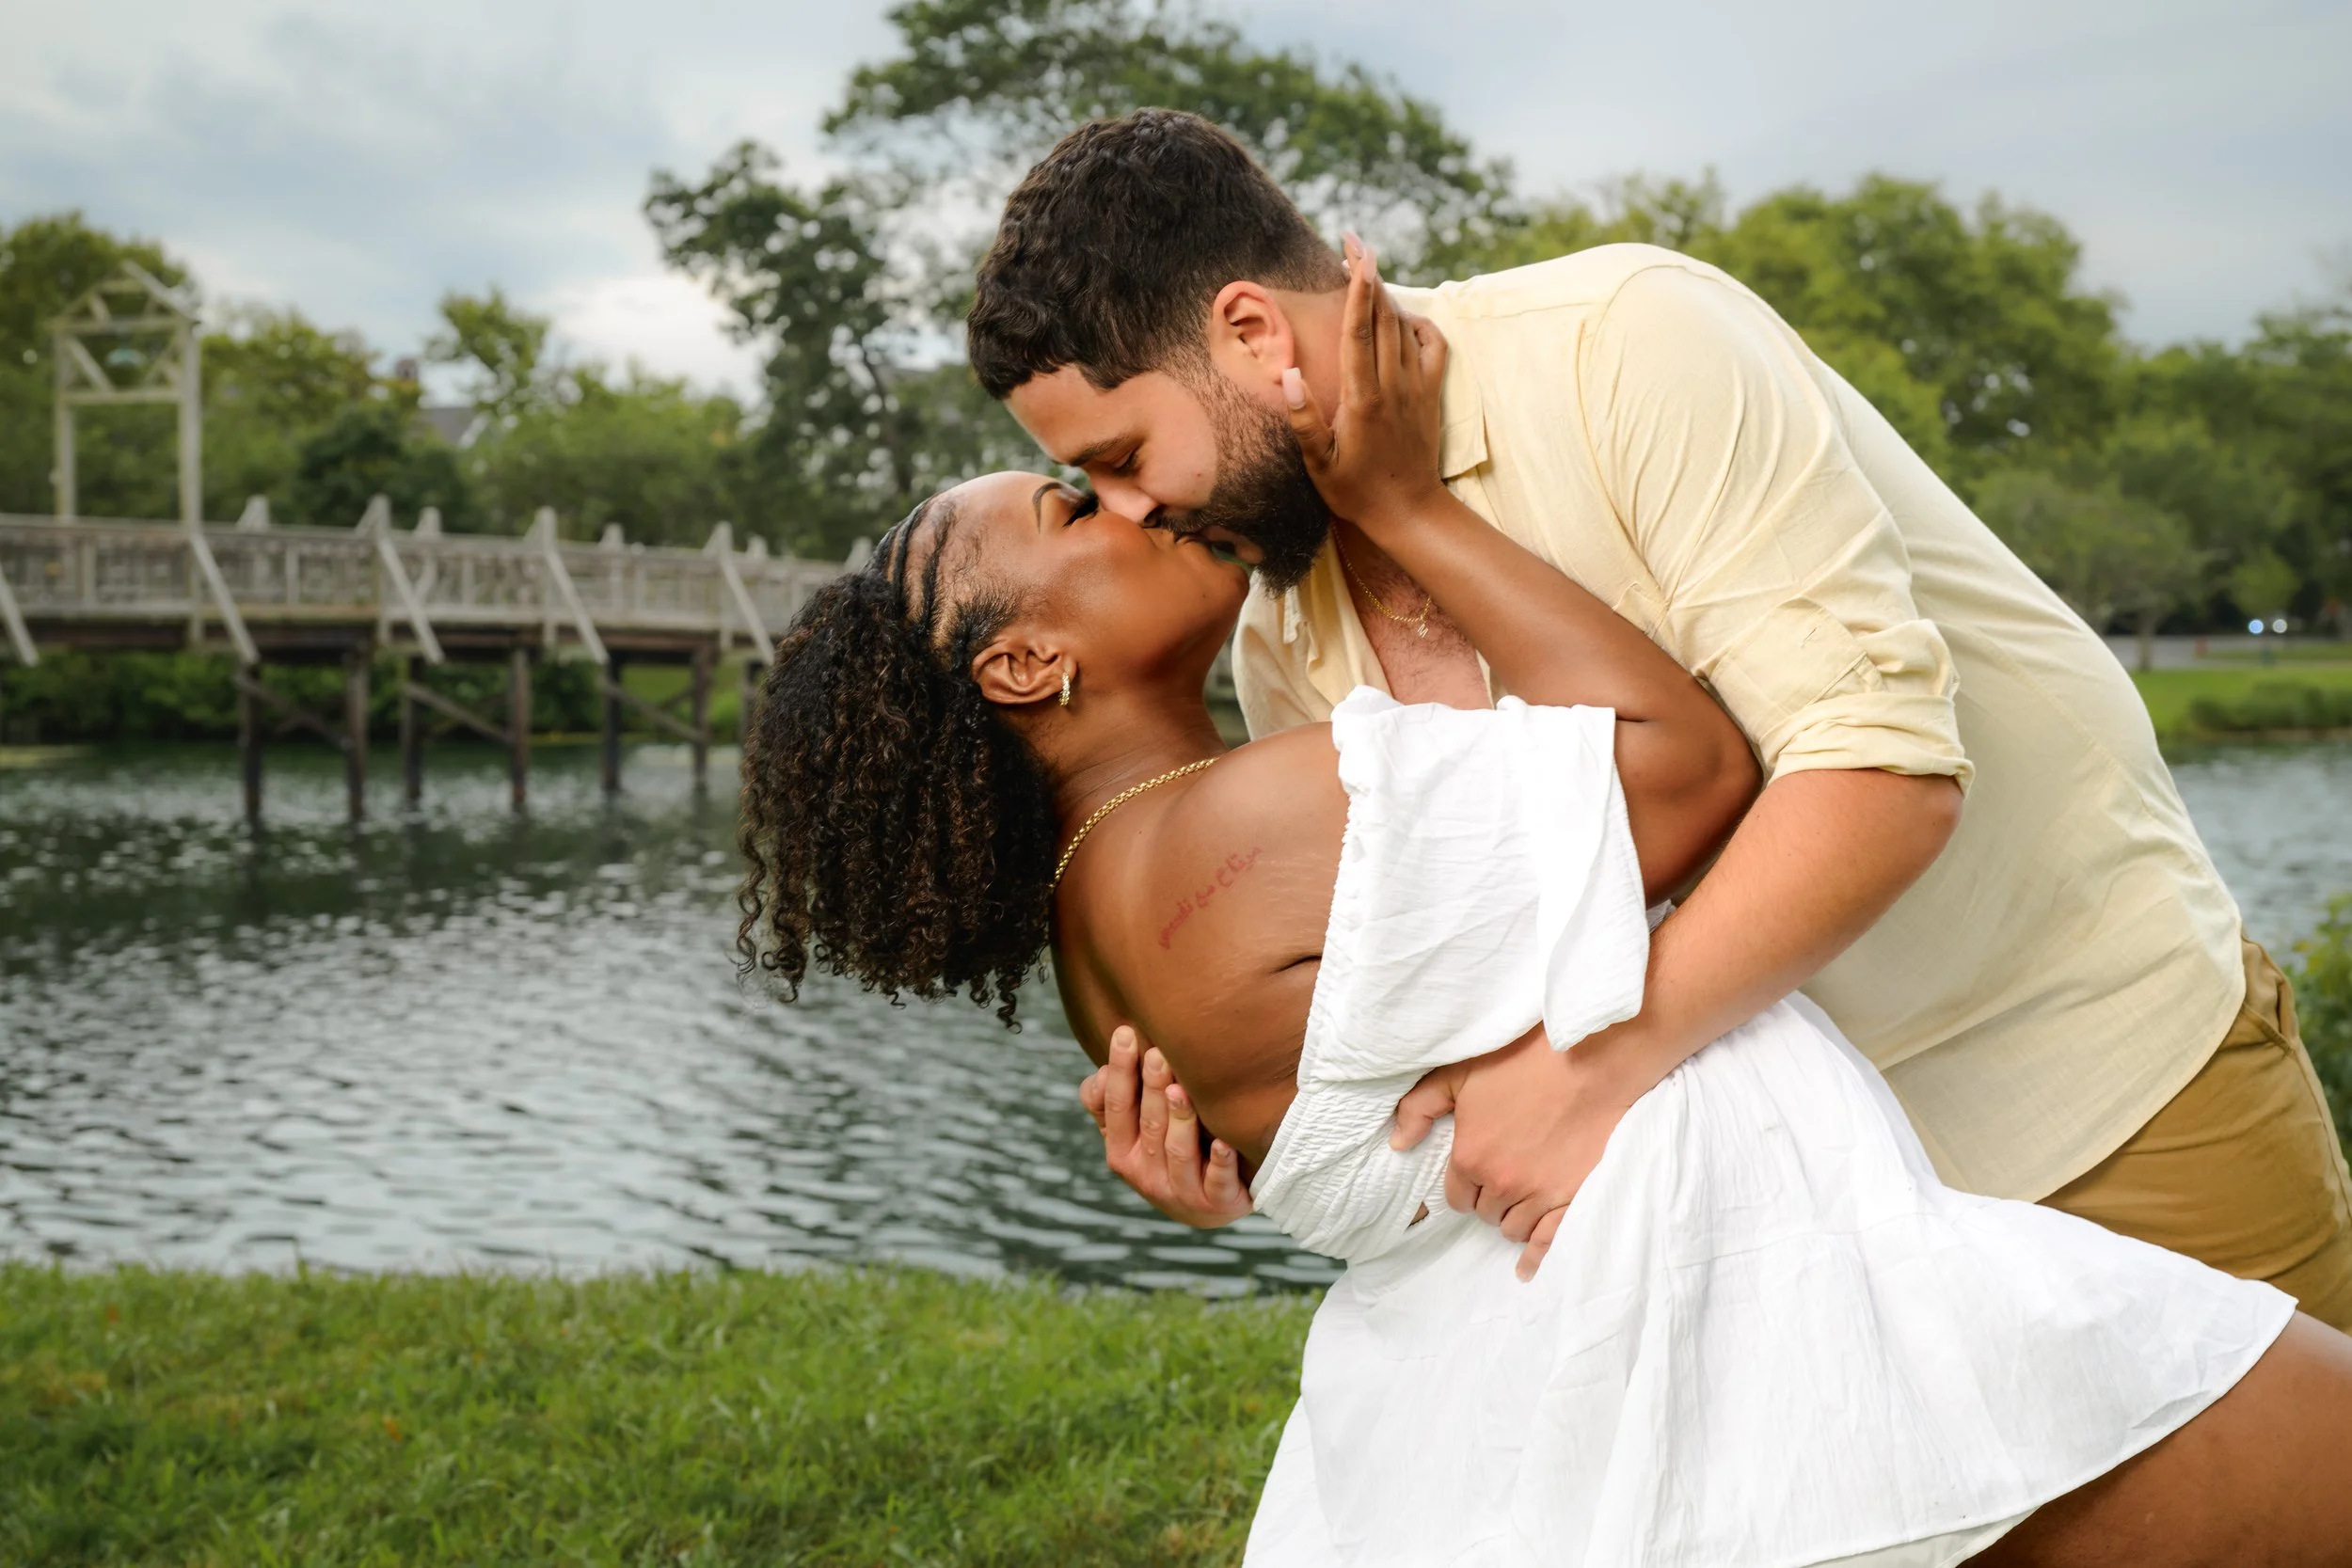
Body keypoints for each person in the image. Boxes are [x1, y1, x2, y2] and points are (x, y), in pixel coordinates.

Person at [730, 263, 2352, 1560]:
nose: (1132, 508)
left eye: (1109, 466)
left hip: (1870, 1207)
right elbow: (1692, 764)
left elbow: (1383, 1085)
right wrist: (1415, 508)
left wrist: (1238, 1179)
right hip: (1779, 1312)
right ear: (1025, 665)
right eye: (1076, 504)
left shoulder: (1120, 910)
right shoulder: (1240, 808)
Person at [963, 108, 2352, 1320]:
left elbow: (1880, 776)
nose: (1131, 514)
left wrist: (1601, 1068)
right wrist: (1262, 1144)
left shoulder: (1624, 345)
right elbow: (1444, 1015)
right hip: (1787, 1220)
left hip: (2095, 1087)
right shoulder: (1285, 631)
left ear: (1252, 332)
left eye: (1123, 458)